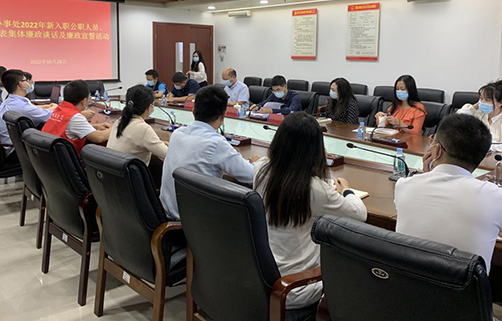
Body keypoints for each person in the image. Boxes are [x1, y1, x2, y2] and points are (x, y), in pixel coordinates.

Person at [395, 114, 502, 321]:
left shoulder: (404, 186)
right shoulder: (494, 197)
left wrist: (426, 174)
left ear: (436, 150)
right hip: (464, 312)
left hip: (408, 307)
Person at [254, 112, 367, 310]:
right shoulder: (315, 188)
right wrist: (347, 190)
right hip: (297, 287)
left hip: (261, 279)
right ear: (315, 149)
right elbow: (360, 214)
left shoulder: (261, 169)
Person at [160, 85, 259, 220]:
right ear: (223, 116)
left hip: (168, 213)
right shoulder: (216, 143)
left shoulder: (177, 134)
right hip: (194, 224)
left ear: (193, 111)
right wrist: (257, 164)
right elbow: (251, 175)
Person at [0, 69, 56, 153]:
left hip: (10, 145)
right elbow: (48, 116)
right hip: (15, 150)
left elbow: (35, 111)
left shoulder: (11, 101)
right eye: (26, 80)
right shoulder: (20, 105)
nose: (29, 82)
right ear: (21, 84)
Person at [42, 79, 112, 154]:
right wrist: (114, 128)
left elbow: (68, 127)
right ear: (84, 101)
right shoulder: (75, 117)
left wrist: (96, 127)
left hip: (49, 156)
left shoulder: (59, 109)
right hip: (66, 158)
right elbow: (99, 137)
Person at [107, 85, 168, 164]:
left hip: (113, 170)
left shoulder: (120, 121)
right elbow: (168, 155)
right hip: (128, 171)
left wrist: (158, 143)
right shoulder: (144, 129)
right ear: (150, 106)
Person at [457, 79, 502, 153]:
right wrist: (476, 106)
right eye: (481, 98)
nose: (482, 102)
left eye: (487, 100)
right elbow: (458, 119)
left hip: (499, 157)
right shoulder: (480, 113)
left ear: (500, 103)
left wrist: (487, 145)